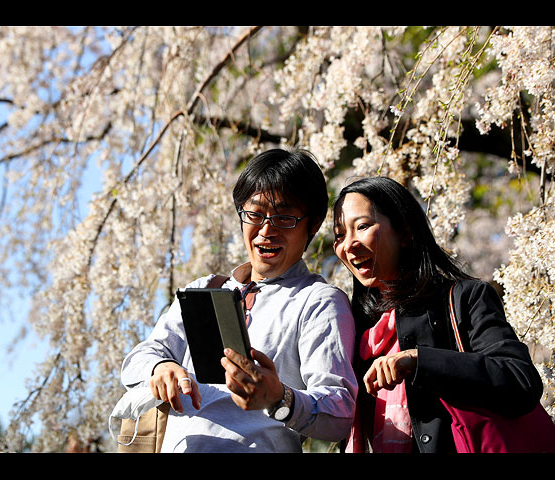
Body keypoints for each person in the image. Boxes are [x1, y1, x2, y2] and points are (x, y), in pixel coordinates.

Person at [120, 148, 357, 453]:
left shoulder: (318, 301)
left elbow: (338, 413)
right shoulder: (206, 287)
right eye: (255, 214)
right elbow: (137, 360)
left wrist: (278, 398)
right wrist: (161, 367)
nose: (266, 230)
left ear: (313, 225)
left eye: (284, 217)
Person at [332, 176, 544, 453]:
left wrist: (420, 360)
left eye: (362, 227)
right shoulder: (355, 326)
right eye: (339, 234)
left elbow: (520, 381)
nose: (348, 245)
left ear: (405, 231)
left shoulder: (464, 298)